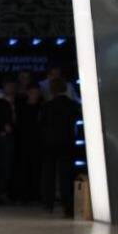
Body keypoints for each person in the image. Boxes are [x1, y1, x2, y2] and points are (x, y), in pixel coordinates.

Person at [39, 78, 80, 217]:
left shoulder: (47, 106)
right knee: (66, 174)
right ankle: (67, 204)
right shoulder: (72, 105)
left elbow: (41, 123)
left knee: (48, 173)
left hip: (49, 143)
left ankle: (48, 202)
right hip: (67, 142)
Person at [12, 84, 44, 203]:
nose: (34, 95)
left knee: (36, 170)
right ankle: (23, 194)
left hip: (37, 143)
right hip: (23, 142)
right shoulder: (21, 107)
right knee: (23, 169)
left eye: (36, 92)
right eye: (32, 92)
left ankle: (35, 194)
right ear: (28, 93)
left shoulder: (42, 107)